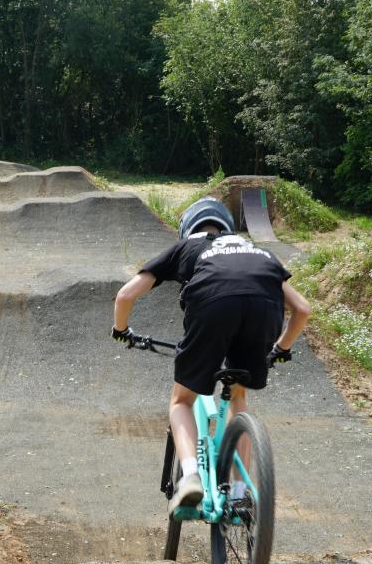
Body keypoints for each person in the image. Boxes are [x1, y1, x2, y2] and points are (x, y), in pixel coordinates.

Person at [112, 197, 310, 510]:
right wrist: (282, 348)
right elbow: (302, 309)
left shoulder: (186, 247)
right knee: (238, 397)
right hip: (264, 311)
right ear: (228, 228)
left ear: (187, 228)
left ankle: (191, 476)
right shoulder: (258, 252)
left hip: (212, 306)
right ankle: (240, 492)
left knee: (181, 401)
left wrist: (121, 330)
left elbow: (125, 295)